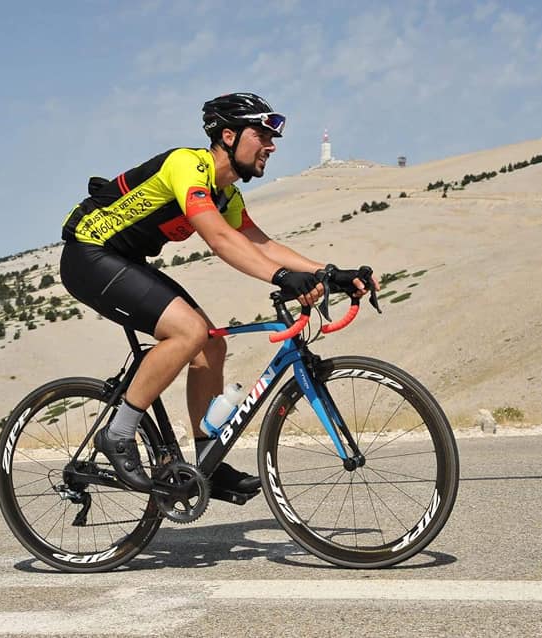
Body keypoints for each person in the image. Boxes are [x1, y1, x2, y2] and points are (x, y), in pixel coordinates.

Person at [59, 92, 375, 502]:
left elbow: (262, 245)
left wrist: (327, 273)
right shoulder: (187, 166)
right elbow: (220, 238)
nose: (271, 145)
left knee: (210, 344)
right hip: (89, 255)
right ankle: (117, 434)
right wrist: (283, 277)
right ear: (228, 135)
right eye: (262, 134)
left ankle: (207, 462)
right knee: (188, 332)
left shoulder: (228, 195)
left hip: (124, 260)